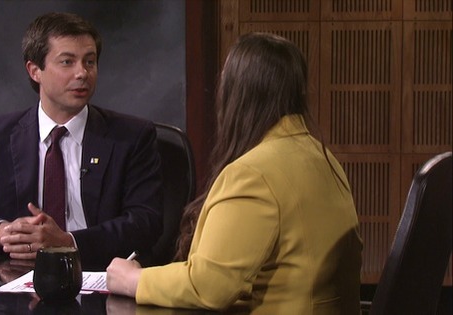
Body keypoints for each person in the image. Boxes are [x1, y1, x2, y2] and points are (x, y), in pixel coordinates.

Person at [106, 32, 363, 314]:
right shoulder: (321, 157)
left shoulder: (253, 174)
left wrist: (134, 279)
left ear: (236, 94)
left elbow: (210, 286)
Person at [0, 12, 163, 271]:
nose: (82, 73)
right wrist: (2, 232)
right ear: (35, 70)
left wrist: (69, 241)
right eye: (67, 62)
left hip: (100, 275)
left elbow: (145, 221)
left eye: (89, 62)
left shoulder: (132, 136)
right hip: (18, 279)